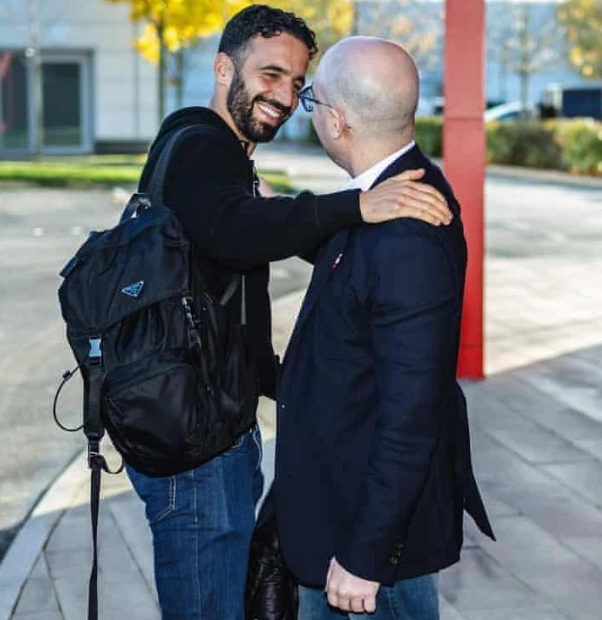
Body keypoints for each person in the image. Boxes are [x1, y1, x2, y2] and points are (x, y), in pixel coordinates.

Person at [126, 6, 452, 620]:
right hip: (194, 447)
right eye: (270, 74)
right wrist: (356, 205)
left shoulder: (221, 157)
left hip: (209, 425)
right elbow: (233, 230)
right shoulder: (201, 143)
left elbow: (238, 271)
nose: (284, 94)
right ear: (224, 68)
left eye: (298, 83)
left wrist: (289, 384)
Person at [274, 36, 495, 619]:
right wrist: (269, 208)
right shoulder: (390, 192)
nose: (310, 113)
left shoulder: (407, 231)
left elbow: (411, 415)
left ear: (338, 121)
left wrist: (365, 557)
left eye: (311, 102)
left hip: (367, 551)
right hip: (343, 517)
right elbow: (352, 269)